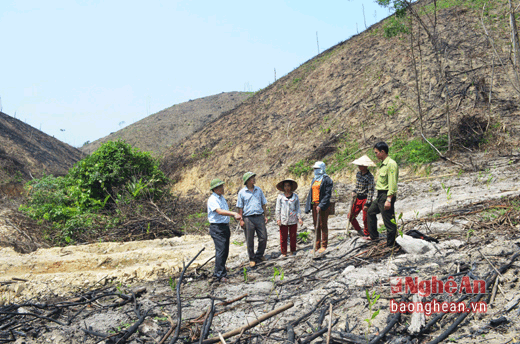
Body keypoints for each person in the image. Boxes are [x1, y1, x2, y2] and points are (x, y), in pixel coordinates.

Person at [207, 178, 242, 283]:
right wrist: (233, 214)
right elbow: (219, 211)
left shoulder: (221, 198)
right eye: (221, 187)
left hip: (224, 226)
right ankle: (219, 274)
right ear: (216, 189)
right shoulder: (212, 199)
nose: (223, 188)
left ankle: (221, 268)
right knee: (221, 250)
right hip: (217, 227)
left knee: (225, 249)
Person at [367, 142, 399, 247]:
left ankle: (391, 245)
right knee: (370, 212)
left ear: (382, 152)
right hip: (380, 195)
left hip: (386, 195)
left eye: (376, 153)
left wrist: (389, 199)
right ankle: (374, 237)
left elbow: (392, 183)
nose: (375, 155)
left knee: (389, 222)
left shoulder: (391, 164)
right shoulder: (383, 163)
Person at [236, 172, 269, 267]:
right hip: (248, 218)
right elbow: (240, 207)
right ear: (247, 181)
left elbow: (263, 203)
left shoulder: (259, 190)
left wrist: (265, 215)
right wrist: (241, 220)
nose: (254, 179)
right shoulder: (242, 192)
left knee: (263, 237)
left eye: (254, 178)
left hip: (259, 216)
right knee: (249, 239)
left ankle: (259, 255)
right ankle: (252, 258)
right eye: (251, 178)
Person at [304, 161, 333, 253]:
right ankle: (316, 245)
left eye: (317, 169)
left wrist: (321, 205)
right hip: (314, 204)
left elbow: (327, 195)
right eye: (314, 169)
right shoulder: (315, 179)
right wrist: (309, 205)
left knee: (323, 224)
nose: (315, 170)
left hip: (323, 205)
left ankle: (324, 245)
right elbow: (311, 193)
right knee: (316, 225)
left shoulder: (327, 179)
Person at [349, 155, 376, 238]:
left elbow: (371, 191)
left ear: (366, 166)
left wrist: (367, 203)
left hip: (365, 198)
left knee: (365, 218)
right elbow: (357, 186)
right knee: (351, 216)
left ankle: (367, 233)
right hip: (357, 198)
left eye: (361, 165)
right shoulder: (358, 174)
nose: (359, 167)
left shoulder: (370, 177)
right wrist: (354, 191)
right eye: (359, 165)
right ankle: (359, 230)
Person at [275, 179, 303, 257]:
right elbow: (278, 208)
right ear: (283, 187)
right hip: (283, 219)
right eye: (285, 186)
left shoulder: (295, 196)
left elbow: (298, 208)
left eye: (288, 186)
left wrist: (299, 218)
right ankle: (284, 252)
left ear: (291, 187)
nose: (287, 187)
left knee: (293, 236)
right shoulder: (280, 197)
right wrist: (278, 219)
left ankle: (292, 251)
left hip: (293, 219)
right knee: (283, 237)